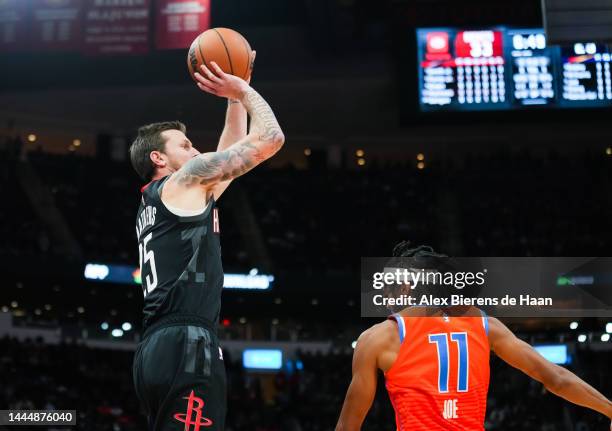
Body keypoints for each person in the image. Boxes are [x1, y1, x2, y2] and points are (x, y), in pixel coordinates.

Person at [130, 54, 285, 431]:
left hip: (154, 348)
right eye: (184, 145)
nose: (196, 152)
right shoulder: (185, 181)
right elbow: (271, 139)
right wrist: (245, 90)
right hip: (187, 343)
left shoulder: (153, 200)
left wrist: (232, 99)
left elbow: (227, 150)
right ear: (159, 157)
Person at [335, 242, 612, 431]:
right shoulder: (485, 325)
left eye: (387, 291)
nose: (385, 301)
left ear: (407, 286)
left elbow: (348, 426)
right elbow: (557, 379)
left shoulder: (378, 338)